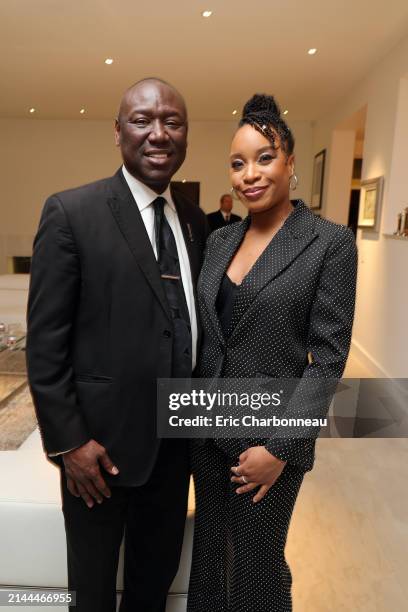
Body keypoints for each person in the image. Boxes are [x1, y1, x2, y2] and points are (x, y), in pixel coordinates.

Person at [26, 77, 209, 612]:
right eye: (142, 120)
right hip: (96, 458)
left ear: (186, 136)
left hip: (175, 450)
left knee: (153, 590)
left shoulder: (196, 223)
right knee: (94, 595)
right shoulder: (71, 213)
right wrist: (69, 443)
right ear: (118, 132)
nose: (158, 134)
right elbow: (46, 344)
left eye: (172, 122)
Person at [187, 94, 357, 611]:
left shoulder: (328, 242)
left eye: (264, 157)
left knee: (257, 570)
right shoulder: (220, 243)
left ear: (289, 163)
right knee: (209, 561)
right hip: (207, 434)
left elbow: (327, 359)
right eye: (238, 164)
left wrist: (279, 449)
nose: (249, 174)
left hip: (268, 444)